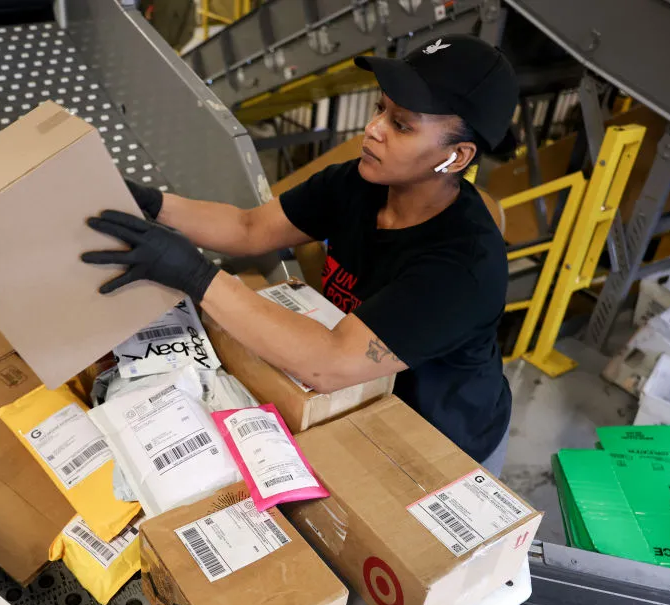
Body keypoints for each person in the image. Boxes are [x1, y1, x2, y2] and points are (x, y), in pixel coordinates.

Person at [82, 35, 517, 475]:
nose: (373, 129)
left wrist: (194, 276)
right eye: (379, 109)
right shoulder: (360, 183)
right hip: (352, 404)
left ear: (456, 156)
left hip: (439, 444)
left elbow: (328, 363)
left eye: (401, 125)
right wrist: (150, 203)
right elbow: (248, 228)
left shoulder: (462, 266)